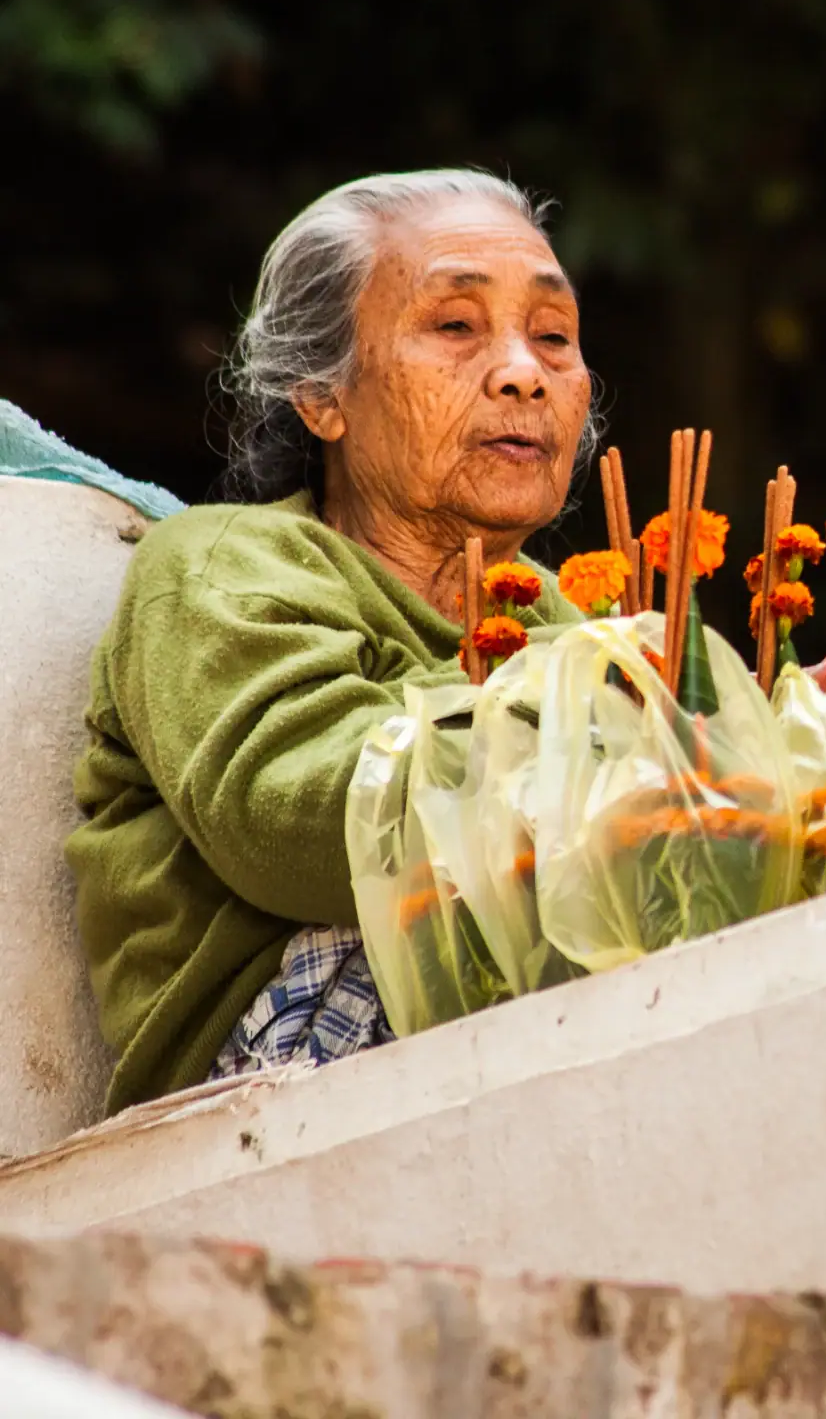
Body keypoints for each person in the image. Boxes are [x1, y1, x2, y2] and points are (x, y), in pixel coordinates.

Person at [66, 170, 599, 1111]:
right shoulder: (226, 564)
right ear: (322, 393)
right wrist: (612, 738)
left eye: (552, 337)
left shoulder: (579, 622)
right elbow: (309, 831)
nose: (524, 371)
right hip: (267, 1084)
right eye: (455, 327)